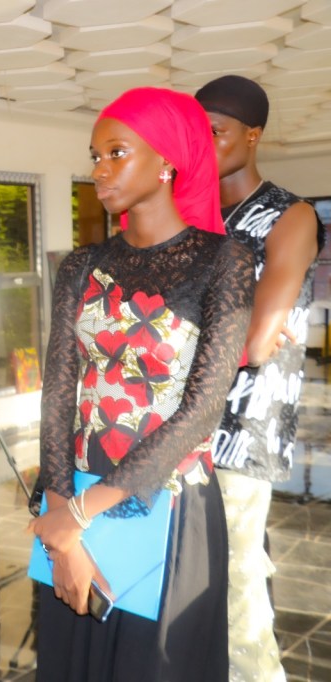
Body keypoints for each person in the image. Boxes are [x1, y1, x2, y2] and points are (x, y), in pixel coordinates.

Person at [30, 87, 255, 682]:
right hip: (74, 495)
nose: (99, 169)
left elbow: (203, 408)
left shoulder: (223, 261)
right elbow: (58, 394)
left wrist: (82, 513)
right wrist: (63, 523)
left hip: (169, 503)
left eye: (116, 153)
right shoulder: (81, 266)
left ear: (167, 162)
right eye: (95, 155)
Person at [196, 75, 325, 682]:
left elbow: (253, 343)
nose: (204, 144)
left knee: (235, 587)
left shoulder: (290, 215)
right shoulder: (190, 213)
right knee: (192, 582)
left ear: (253, 135)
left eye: (217, 131)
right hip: (181, 420)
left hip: (243, 427)